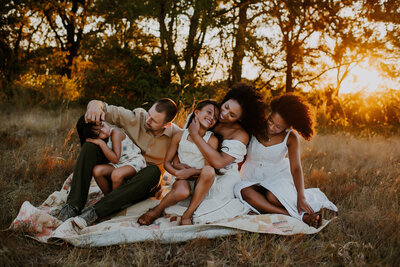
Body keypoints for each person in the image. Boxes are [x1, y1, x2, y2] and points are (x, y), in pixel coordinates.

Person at [57, 98, 180, 229]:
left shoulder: (176, 135)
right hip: (117, 171)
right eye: (149, 114)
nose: (147, 120)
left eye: (154, 120)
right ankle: (73, 205)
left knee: (153, 171)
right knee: (90, 146)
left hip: (142, 184)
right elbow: (102, 106)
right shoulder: (136, 117)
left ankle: (96, 211)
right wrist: (93, 106)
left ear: (166, 125)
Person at [234, 93, 338, 228]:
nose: (271, 127)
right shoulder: (256, 126)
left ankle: (274, 210)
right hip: (249, 176)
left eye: (278, 127)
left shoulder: (291, 137)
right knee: (244, 192)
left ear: (288, 126)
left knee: (272, 196)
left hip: (275, 178)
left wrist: (301, 196)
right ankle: (298, 217)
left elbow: (296, 168)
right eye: (270, 120)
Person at [174, 83, 269, 224]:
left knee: (203, 214)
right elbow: (182, 143)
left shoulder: (240, 134)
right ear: (224, 100)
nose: (224, 114)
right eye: (226, 107)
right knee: (178, 200)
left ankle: (190, 214)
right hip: (197, 169)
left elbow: (218, 163)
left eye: (232, 115)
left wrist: (196, 135)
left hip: (223, 176)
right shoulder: (207, 114)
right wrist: (178, 164)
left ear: (240, 119)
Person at [138, 100, 220, 225]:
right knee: (182, 191)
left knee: (209, 171)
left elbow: (209, 167)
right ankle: (156, 210)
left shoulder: (212, 139)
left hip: (201, 181)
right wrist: (178, 173)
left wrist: (191, 172)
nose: (211, 117)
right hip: (182, 180)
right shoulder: (179, 135)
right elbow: (167, 163)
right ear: (197, 112)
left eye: (215, 117)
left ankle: (187, 215)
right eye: (209, 112)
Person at [75, 115, 146, 195]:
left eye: (102, 125)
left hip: (133, 161)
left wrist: (101, 144)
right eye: (99, 134)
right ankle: (108, 197)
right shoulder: (105, 138)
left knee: (116, 174)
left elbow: (115, 159)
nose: (105, 131)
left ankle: (114, 202)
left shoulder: (115, 133)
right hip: (120, 164)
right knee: (97, 171)